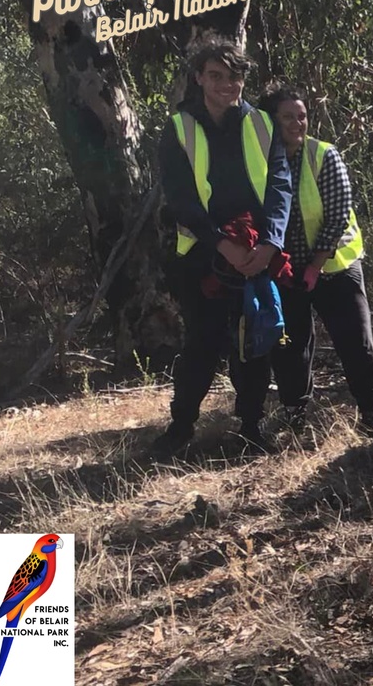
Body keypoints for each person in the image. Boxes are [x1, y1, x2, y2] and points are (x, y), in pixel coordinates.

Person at [155, 39, 293, 453]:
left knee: (255, 341)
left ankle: (251, 427)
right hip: (203, 255)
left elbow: (280, 188)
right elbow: (180, 200)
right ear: (198, 78)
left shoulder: (263, 125)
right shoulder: (178, 129)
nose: (225, 85)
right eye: (215, 75)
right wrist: (221, 245)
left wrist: (270, 243)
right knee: (203, 341)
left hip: (257, 252)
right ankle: (180, 429)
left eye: (234, 77)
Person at [258, 88, 373, 440]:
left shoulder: (323, 154)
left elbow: (337, 214)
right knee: (289, 346)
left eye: (301, 115)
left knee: (355, 341)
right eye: (288, 116)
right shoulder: (260, 159)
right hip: (285, 272)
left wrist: (315, 265)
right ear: (271, 122)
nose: (297, 123)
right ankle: (295, 413)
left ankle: (372, 412)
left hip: (335, 268)